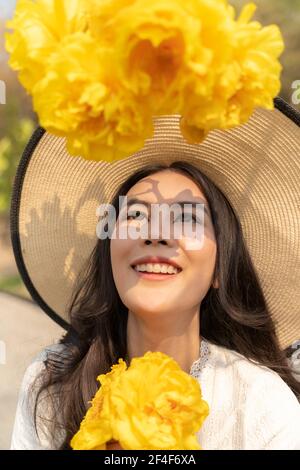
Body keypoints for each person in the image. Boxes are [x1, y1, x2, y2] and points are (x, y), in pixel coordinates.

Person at [8, 98, 300, 450]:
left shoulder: (262, 405)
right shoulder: (51, 387)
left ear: (220, 270)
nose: (156, 233)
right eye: (134, 216)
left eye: (188, 218)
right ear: (109, 252)